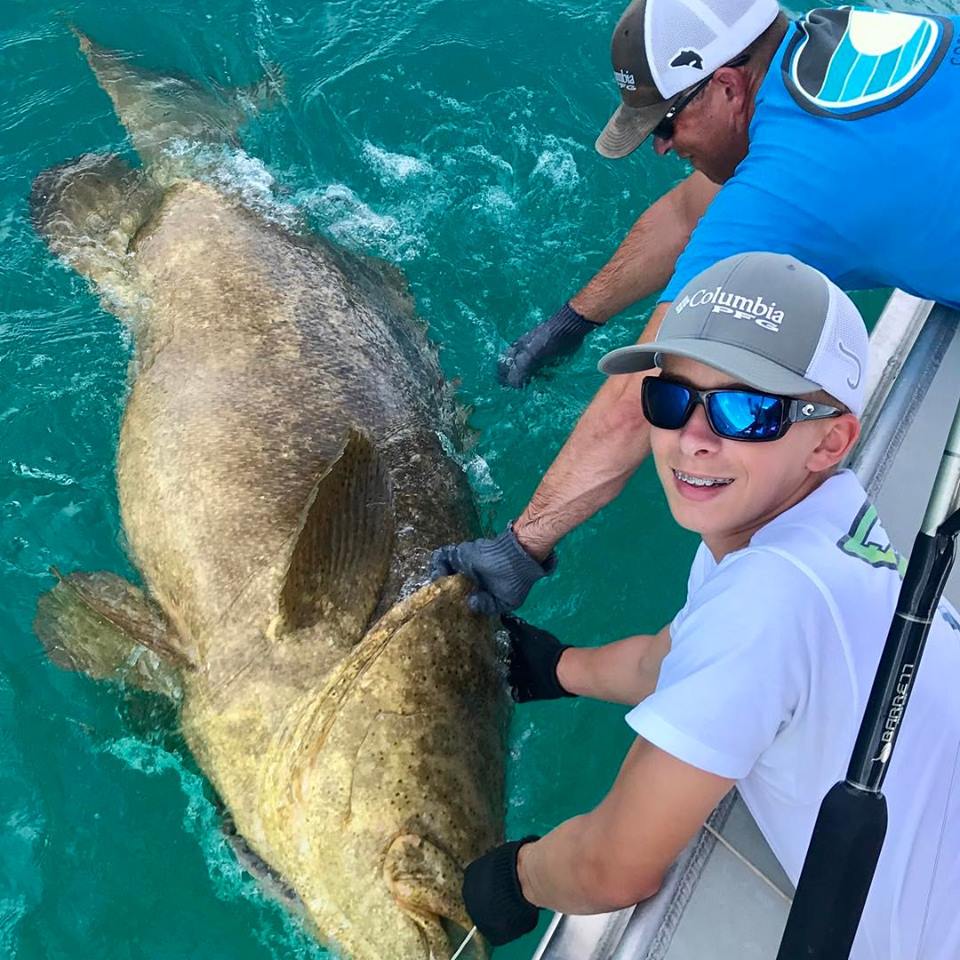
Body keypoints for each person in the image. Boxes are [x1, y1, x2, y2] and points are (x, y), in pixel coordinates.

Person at [456, 253, 960, 959]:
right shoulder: (812, 523)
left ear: (833, 440)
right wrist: (558, 668)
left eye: (747, 409)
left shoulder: (768, 600)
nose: (694, 436)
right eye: (670, 397)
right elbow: (674, 656)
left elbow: (615, 866)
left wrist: (517, 877)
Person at [500, 0, 960, 390]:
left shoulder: (786, 182)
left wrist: (538, 503)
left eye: (664, 124)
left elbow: (648, 387)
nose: (661, 147)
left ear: (726, 86)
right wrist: (569, 325)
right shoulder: (829, 45)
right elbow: (685, 215)